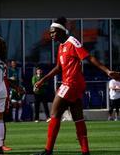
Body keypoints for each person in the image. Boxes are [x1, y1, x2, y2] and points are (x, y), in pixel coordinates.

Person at [34, 17, 120, 155]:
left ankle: (48, 151)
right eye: (50, 33)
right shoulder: (62, 46)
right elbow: (58, 67)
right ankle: (85, 152)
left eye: (53, 32)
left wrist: (107, 71)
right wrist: (43, 80)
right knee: (78, 117)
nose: (51, 35)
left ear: (61, 31)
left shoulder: (72, 42)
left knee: (54, 113)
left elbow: (88, 57)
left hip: (71, 83)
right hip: (72, 84)